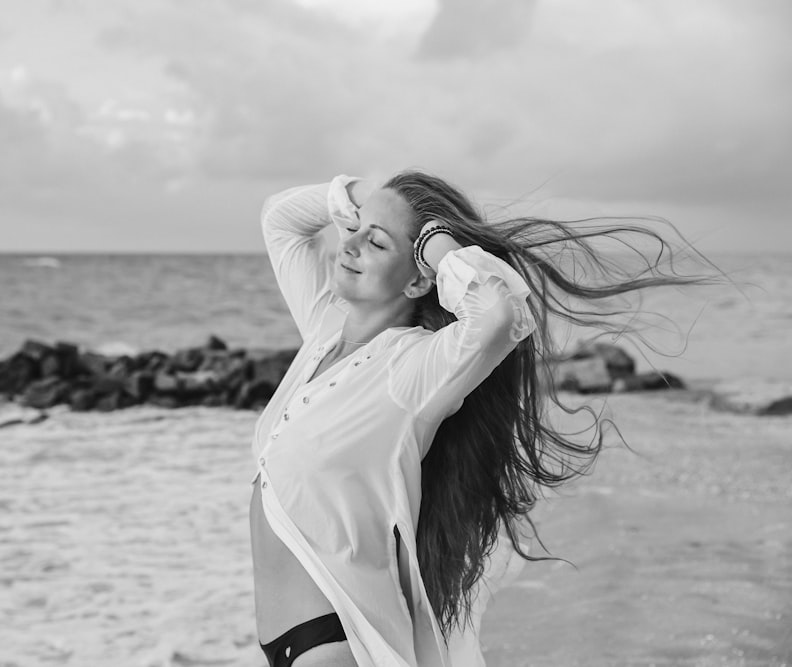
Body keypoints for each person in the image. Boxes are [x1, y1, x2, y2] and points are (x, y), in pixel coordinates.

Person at [249, 171, 705, 666]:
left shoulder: (414, 371)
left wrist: (434, 241)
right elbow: (281, 220)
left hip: (334, 643)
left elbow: (497, 314)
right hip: (287, 644)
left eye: (376, 243)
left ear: (420, 277)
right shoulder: (323, 329)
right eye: (352, 229)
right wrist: (364, 199)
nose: (351, 245)